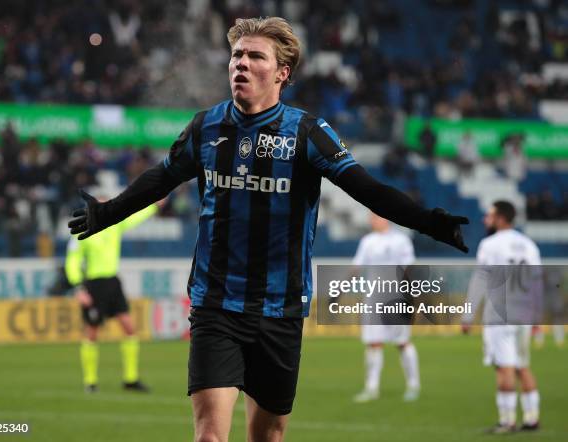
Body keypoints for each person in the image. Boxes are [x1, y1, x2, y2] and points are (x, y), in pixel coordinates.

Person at [69, 17, 469, 442]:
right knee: (208, 436)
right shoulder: (206, 127)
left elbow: (366, 188)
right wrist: (108, 213)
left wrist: (428, 222)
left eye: (255, 56)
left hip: (280, 310)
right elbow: (161, 178)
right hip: (216, 305)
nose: (241, 62)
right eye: (237, 55)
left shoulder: (308, 133)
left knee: (268, 436)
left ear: (282, 73)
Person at [65, 197, 160, 393]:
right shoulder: (82, 231)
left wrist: (153, 206)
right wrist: (78, 288)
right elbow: (72, 261)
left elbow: (135, 216)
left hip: (113, 283)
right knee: (92, 332)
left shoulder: (114, 225)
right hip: (93, 285)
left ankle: (130, 379)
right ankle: (90, 382)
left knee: (129, 328)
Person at [462, 201, 541, 434]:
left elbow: (480, 280)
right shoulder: (528, 244)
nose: (486, 219)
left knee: (503, 367)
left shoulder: (490, 244)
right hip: (524, 313)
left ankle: (507, 421)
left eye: (490, 215)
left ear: (501, 218)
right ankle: (531, 418)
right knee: (522, 367)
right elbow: (536, 282)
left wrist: (467, 315)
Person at [352, 213, 420, 403]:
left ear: (385, 218)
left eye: (375, 217)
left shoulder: (401, 240)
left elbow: (409, 268)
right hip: (374, 297)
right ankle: (371, 388)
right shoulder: (367, 241)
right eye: (370, 218)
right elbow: (357, 266)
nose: (372, 221)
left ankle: (413, 385)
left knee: (402, 342)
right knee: (373, 342)